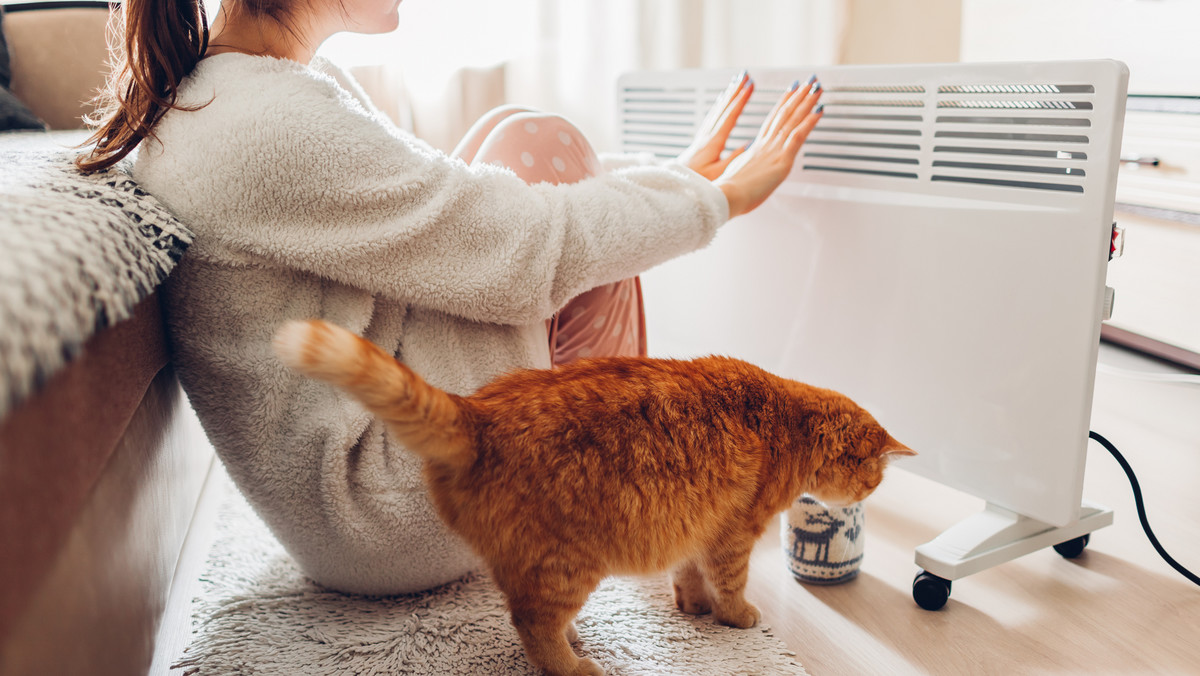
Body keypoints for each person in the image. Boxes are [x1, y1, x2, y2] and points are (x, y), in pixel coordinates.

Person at [77, 0, 823, 595]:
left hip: (361, 484)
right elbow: (530, 251)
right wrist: (714, 201)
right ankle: (612, 501)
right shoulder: (265, 123)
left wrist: (678, 181)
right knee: (537, 146)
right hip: (387, 510)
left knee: (510, 141)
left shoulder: (241, 91)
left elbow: (456, 212)